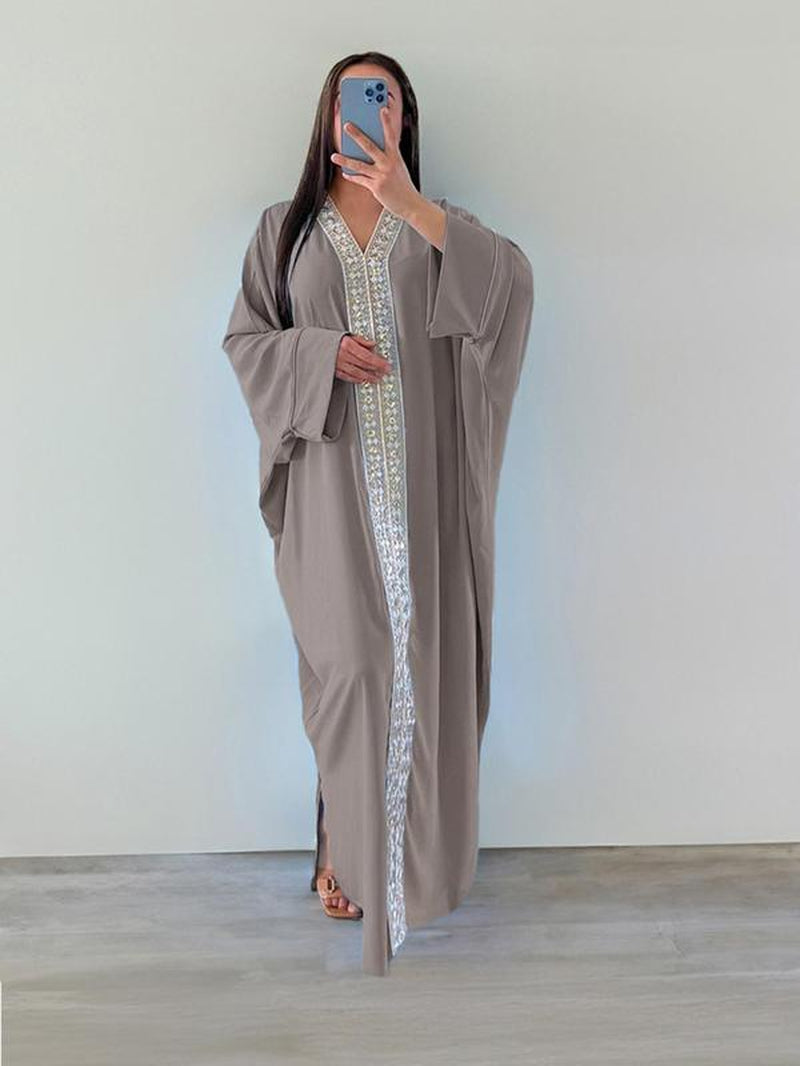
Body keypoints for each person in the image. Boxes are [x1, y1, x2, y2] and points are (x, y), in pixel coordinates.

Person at [221, 50, 535, 976]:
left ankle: (414, 871)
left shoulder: (438, 225)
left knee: (421, 670)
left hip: (426, 500)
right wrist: (317, 355)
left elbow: (509, 289)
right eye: (352, 98)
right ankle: (341, 845)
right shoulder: (285, 232)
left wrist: (407, 202)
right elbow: (247, 342)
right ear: (329, 116)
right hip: (329, 493)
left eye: (383, 99)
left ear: (403, 119)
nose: (367, 112)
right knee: (351, 671)